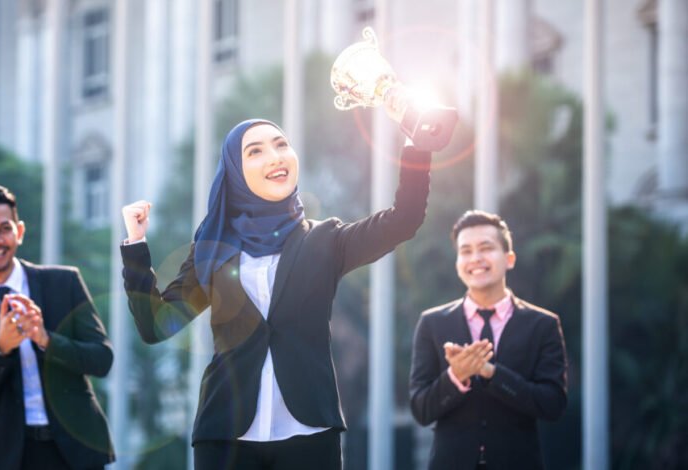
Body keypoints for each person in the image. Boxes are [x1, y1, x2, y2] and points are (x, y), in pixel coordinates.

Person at [120, 114, 432, 469]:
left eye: (281, 144)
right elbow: (157, 325)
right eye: (255, 151)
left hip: (310, 433)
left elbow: (404, 219)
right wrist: (135, 244)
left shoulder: (325, 240)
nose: (275, 156)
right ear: (235, 172)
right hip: (225, 436)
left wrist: (416, 147)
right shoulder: (211, 250)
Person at [0, 183, 115, 470]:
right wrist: (0, 350)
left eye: (4, 228)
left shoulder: (64, 283)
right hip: (10, 459)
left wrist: (46, 339)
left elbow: (102, 360)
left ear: (19, 231)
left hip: (77, 452)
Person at [408, 210, 568, 469]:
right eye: (466, 251)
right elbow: (421, 409)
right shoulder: (432, 323)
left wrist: (492, 373)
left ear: (509, 258)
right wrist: (455, 377)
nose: (476, 258)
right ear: (458, 261)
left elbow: (553, 405)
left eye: (486, 248)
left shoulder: (543, 325)